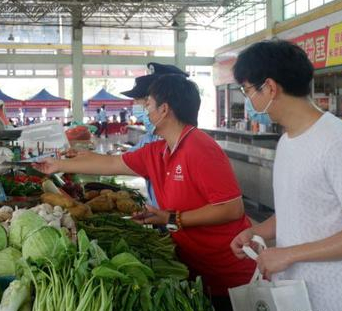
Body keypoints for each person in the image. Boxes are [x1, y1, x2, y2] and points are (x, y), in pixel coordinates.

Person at [35, 74, 255, 310]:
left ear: (164, 109)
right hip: (196, 269)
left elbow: (232, 209)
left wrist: (172, 218)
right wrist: (57, 165)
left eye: (148, 104)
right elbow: (111, 164)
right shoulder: (158, 151)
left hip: (230, 276)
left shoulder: (200, 148)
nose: (144, 111)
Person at [229, 40, 342, 311]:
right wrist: (257, 232)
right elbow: (299, 211)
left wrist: (288, 254)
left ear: (270, 87)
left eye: (248, 90)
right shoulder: (288, 141)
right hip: (298, 297)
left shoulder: (339, 142)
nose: (249, 100)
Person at [121, 62, 189, 208]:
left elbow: (228, 208)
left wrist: (170, 220)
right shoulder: (151, 138)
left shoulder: (188, 145)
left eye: (146, 101)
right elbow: (119, 162)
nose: (139, 106)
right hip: (162, 216)